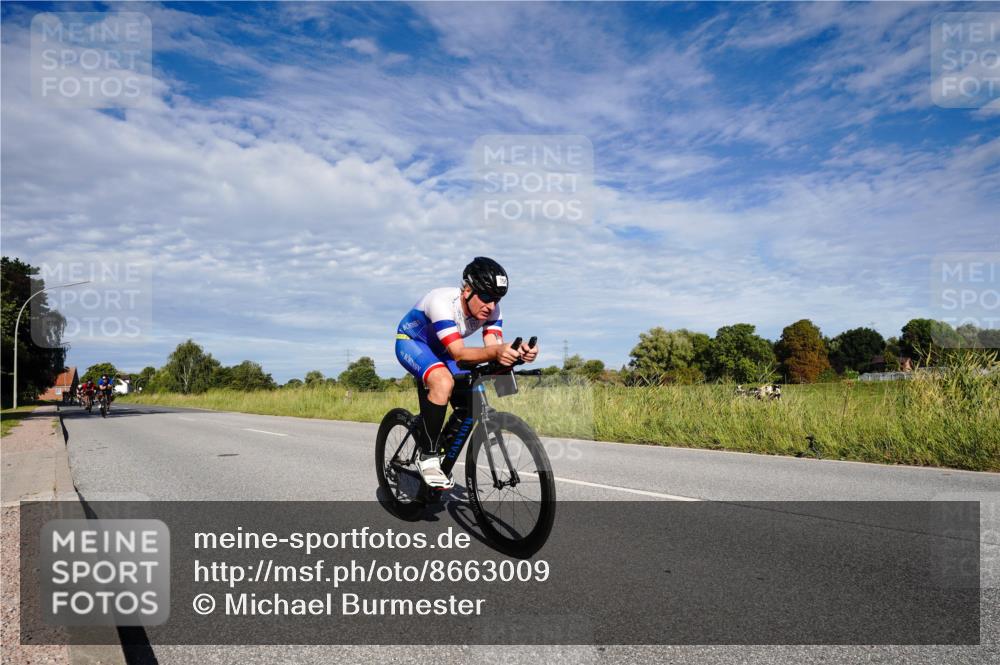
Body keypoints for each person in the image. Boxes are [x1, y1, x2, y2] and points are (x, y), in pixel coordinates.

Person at [395, 257, 538, 489]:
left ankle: (442, 447)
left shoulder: (493, 310)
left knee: (468, 400)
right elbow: (460, 353)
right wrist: (497, 352)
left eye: (497, 299)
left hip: (444, 351)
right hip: (413, 343)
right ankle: (427, 456)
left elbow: (494, 348)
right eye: (486, 297)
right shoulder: (442, 302)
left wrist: (518, 353)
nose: (491, 305)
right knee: (443, 382)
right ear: (468, 290)